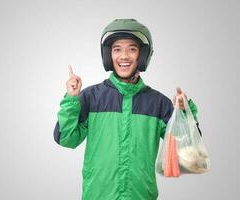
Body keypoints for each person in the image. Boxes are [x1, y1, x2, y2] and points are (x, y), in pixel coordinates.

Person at [53, 18, 201, 200]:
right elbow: (66, 139)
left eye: (132, 49)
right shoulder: (91, 97)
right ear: (108, 55)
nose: (124, 56)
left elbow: (187, 152)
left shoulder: (158, 103)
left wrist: (183, 112)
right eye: (117, 49)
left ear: (142, 55)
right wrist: (71, 100)